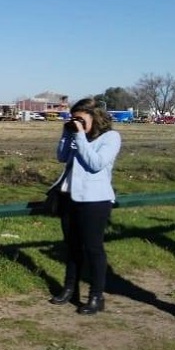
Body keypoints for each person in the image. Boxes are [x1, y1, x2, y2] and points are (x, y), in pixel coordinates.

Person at [48, 98, 121, 315]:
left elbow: (95, 163)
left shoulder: (111, 138)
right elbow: (62, 157)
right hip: (69, 198)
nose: (76, 122)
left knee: (93, 249)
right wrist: (67, 133)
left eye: (81, 118)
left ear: (95, 117)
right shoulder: (76, 135)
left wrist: (79, 136)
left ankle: (96, 296)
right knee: (72, 248)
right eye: (74, 118)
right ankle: (70, 288)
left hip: (95, 201)